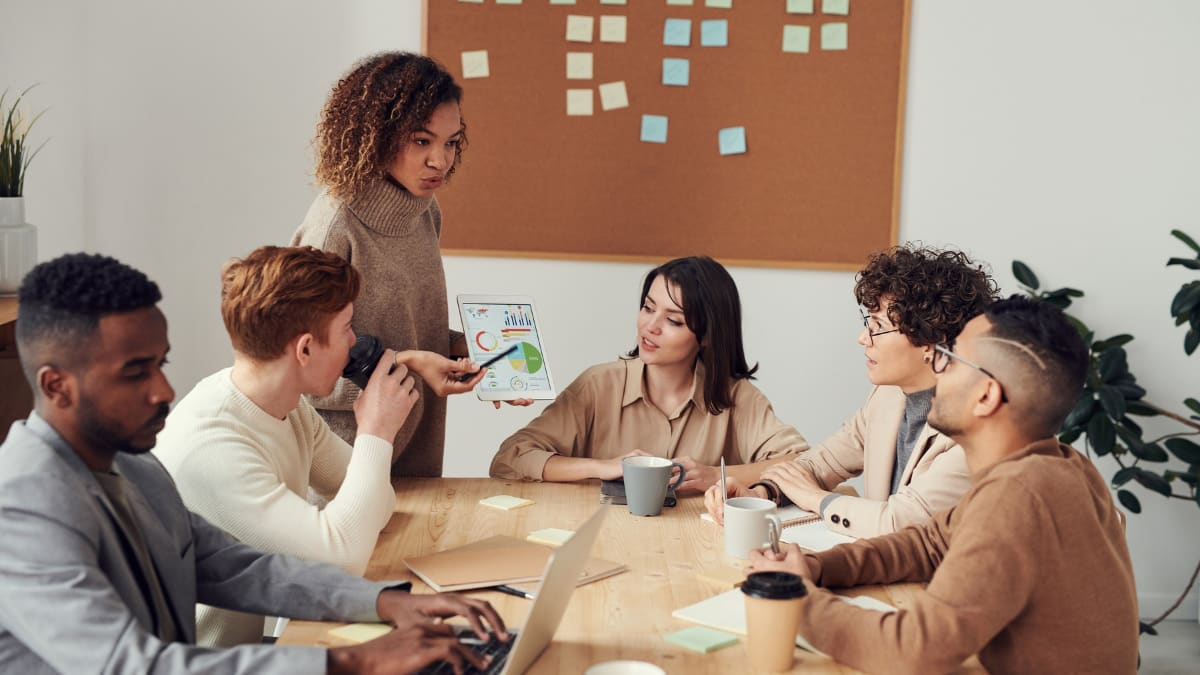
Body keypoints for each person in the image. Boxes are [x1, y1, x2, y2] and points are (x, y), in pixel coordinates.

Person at [0, 253, 506, 673]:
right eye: (136, 372)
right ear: (55, 386)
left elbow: (232, 564)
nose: (163, 391)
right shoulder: (19, 508)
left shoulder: (129, 464)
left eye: (161, 364)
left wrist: (385, 602)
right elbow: (131, 667)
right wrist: (351, 661)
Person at [749, 295, 1138, 674]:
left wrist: (793, 597)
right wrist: (817, 567)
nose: (936, 367)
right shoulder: (1061, 467)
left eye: (949, 360)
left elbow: (913, 651)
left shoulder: (1018, 494)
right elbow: (930, 543)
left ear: (986, 396)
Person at [154, 245, 482, 647]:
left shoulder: (288, 408)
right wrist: (375, 430)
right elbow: (343, 560)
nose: (354, 341)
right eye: (346, 328)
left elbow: (379, 506)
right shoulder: (213, 448)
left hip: (249, 653)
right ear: (305, 348)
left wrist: (374, 436)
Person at [291, 51, 525, 478]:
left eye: (451, 142)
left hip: (418, 453)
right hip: (343, 467)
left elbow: (412, 327)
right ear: (374, 135)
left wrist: (479, 351)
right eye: (422, 141)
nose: (441, 160)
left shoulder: (424, 212)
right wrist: (412, 364)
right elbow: (300, 370)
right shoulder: (334, 228)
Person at [706, 245, 997, 537]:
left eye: (878, 326)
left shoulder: (973, 427)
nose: (863, 338)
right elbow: (819, 463)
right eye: (867, 323)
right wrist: (762, 493)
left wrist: (814, 498)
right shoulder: (887, 397)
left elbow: (900, 521)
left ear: (931, 341)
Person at [490, 256, 809, 491]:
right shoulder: (599, 385)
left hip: (694, 546)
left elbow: (804, 462)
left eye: (673, 321)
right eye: (647, 307)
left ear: (708, 336)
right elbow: (510, 458)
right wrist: (606, 468)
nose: (650, 326)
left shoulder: (737, 397)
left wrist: (718, 476)